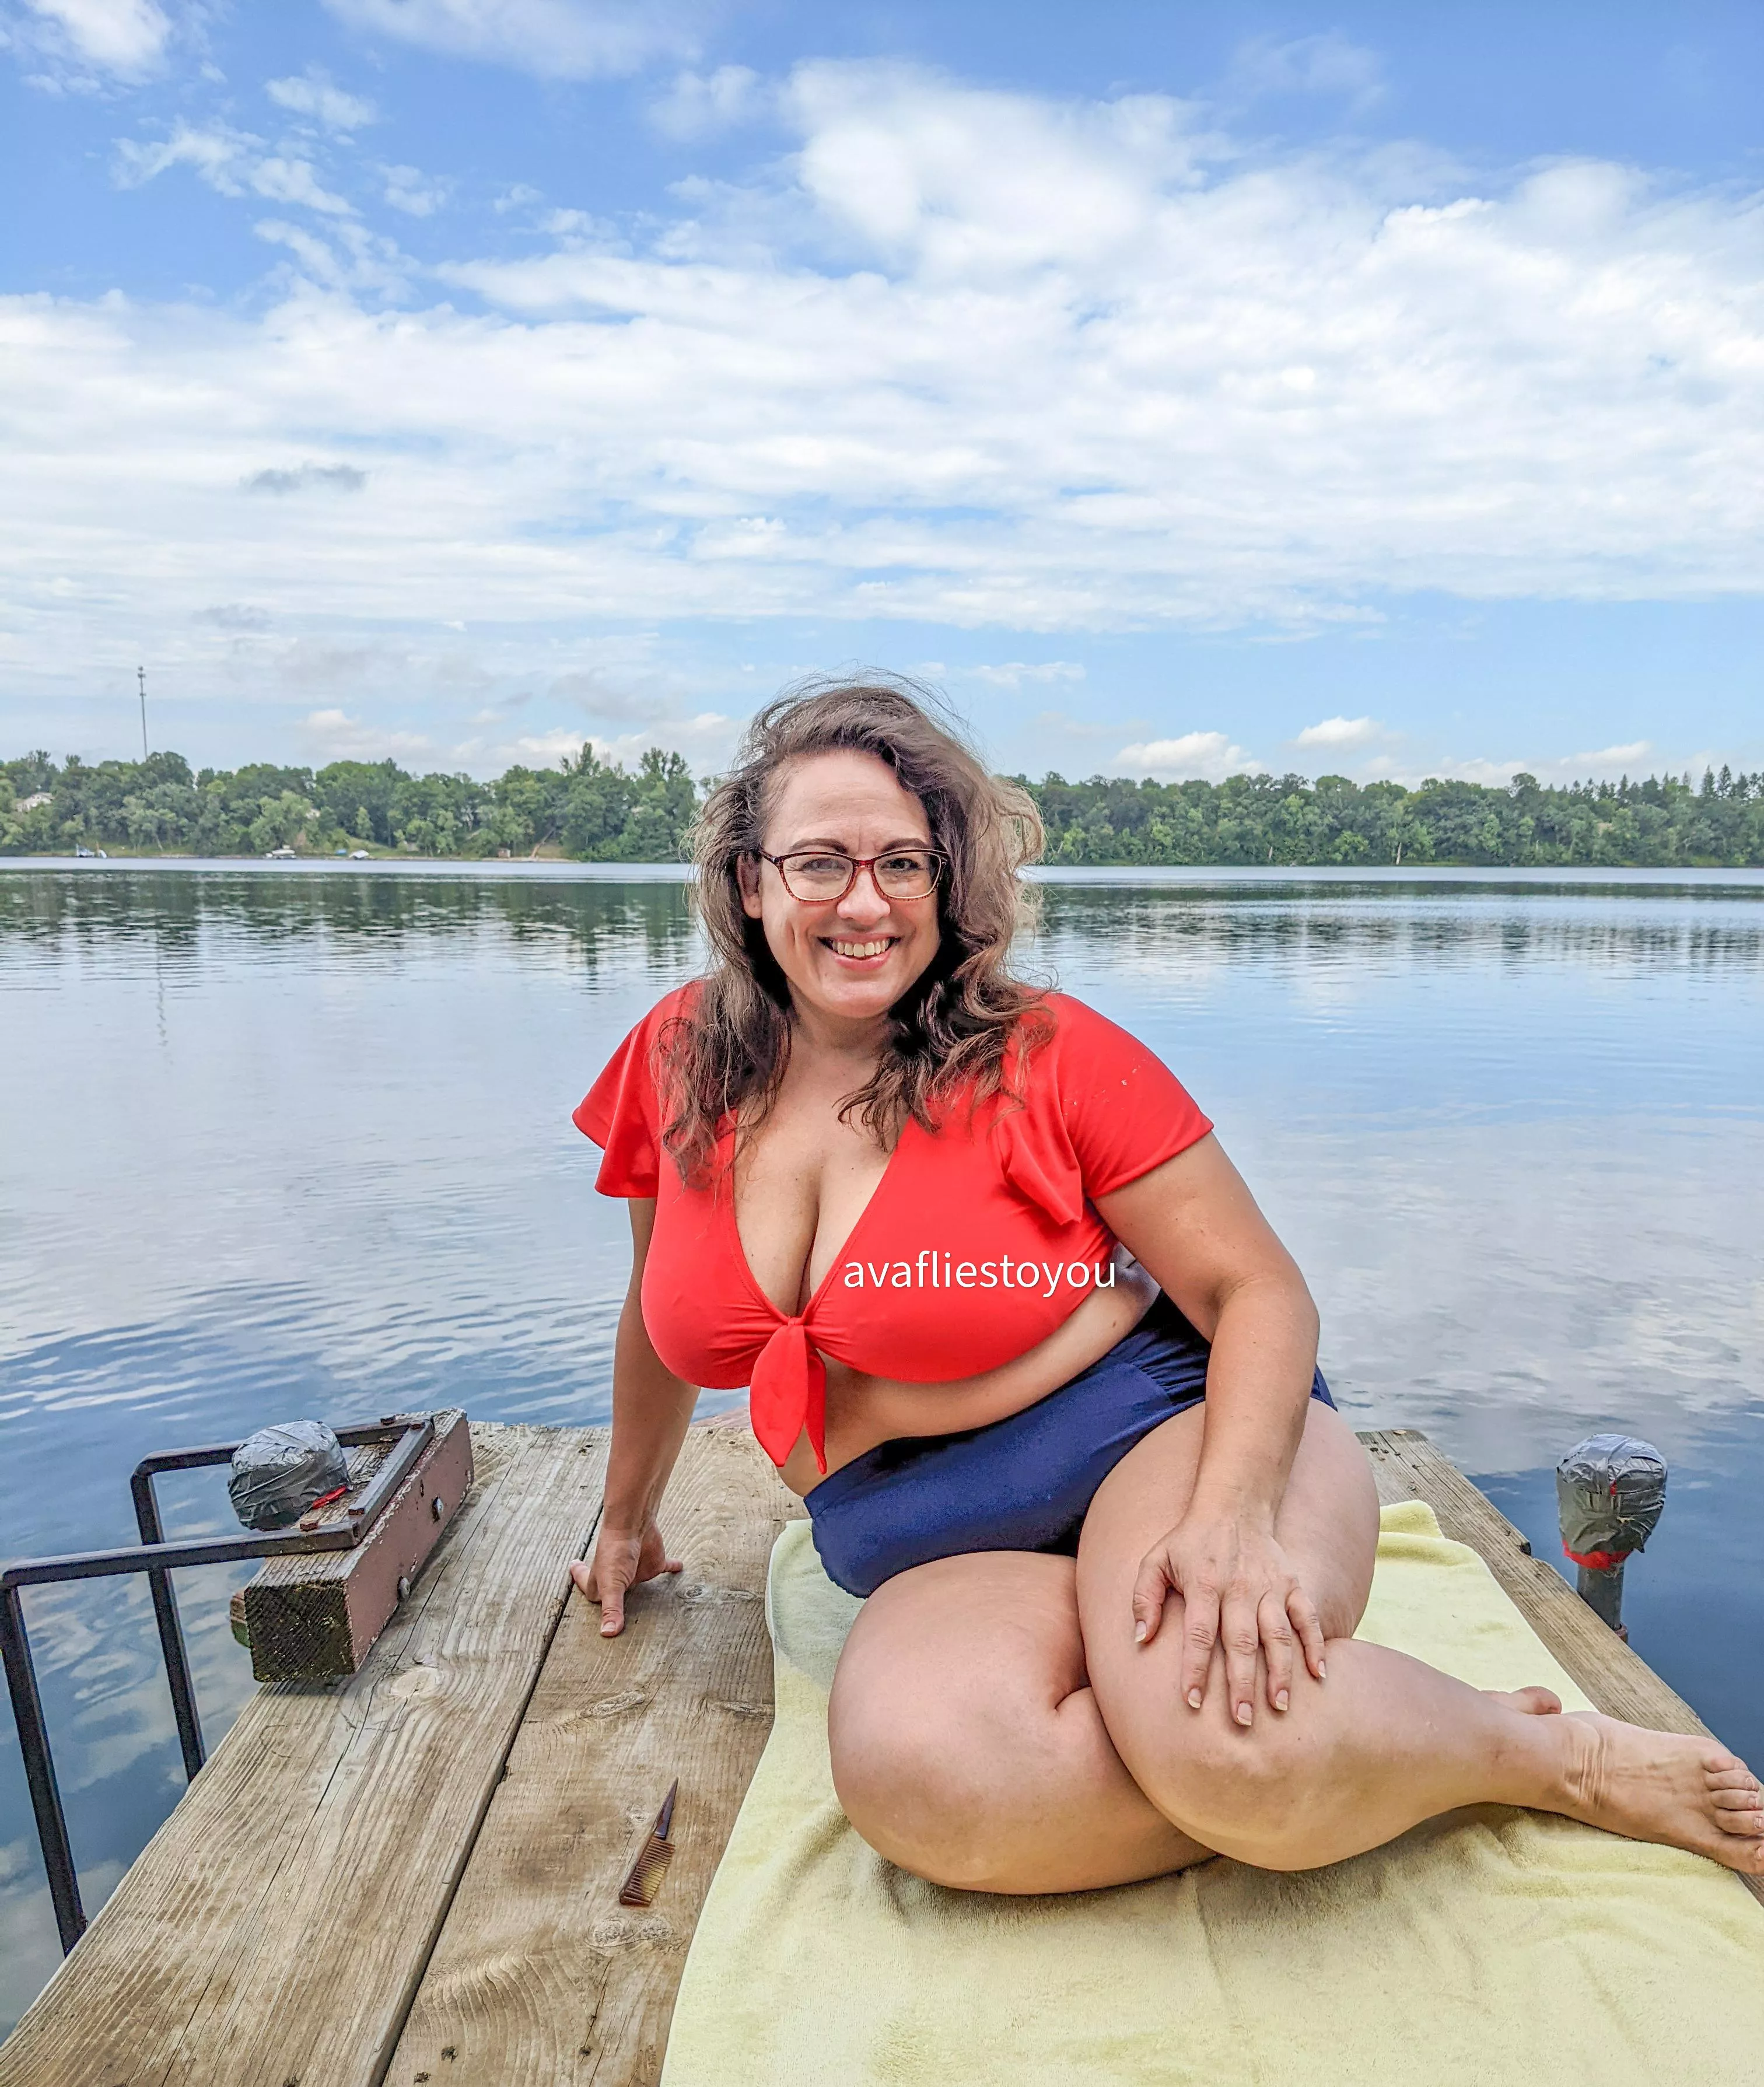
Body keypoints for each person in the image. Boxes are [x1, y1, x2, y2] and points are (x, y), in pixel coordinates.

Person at [570, 678, 1763, 1893]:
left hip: (1170, 1435)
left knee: (1240, 1745)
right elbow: (656, 1316)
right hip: (925, 1536)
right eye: (820, 861)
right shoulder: (677, 1060)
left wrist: (1230, 1517)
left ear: (948, 882)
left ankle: (1543, 1755)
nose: (864, 901)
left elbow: (1261, 1292)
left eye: (904, 863)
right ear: (751, 881)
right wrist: (625, 1518)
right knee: (927, 1786)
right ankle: (1336, 1739)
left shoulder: (1049, 1055)